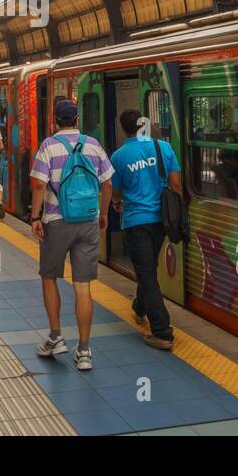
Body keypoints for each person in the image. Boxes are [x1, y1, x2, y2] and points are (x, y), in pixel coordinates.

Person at [29, 100, 114, 371]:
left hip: (56, 221)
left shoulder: (48, 146)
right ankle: (85, 350)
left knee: (50, 277)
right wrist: (103, 214)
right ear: (77, 119)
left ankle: (56, 337)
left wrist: (35, 217)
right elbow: (108, 183)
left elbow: (39, 185)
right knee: (83, 286)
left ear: (56, 120)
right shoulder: (93, 144)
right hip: (88, 220)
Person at [109, 109, 179, 350]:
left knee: (146, 273)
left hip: (135, 221)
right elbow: (176, 184)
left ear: (123, 128)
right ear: (142, 124)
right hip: (161, 220)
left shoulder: (118, 157)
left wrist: (117, 204)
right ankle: (140, 306)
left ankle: (162, 331)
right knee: (149, 268)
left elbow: (116, 191)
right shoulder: (163, 148)